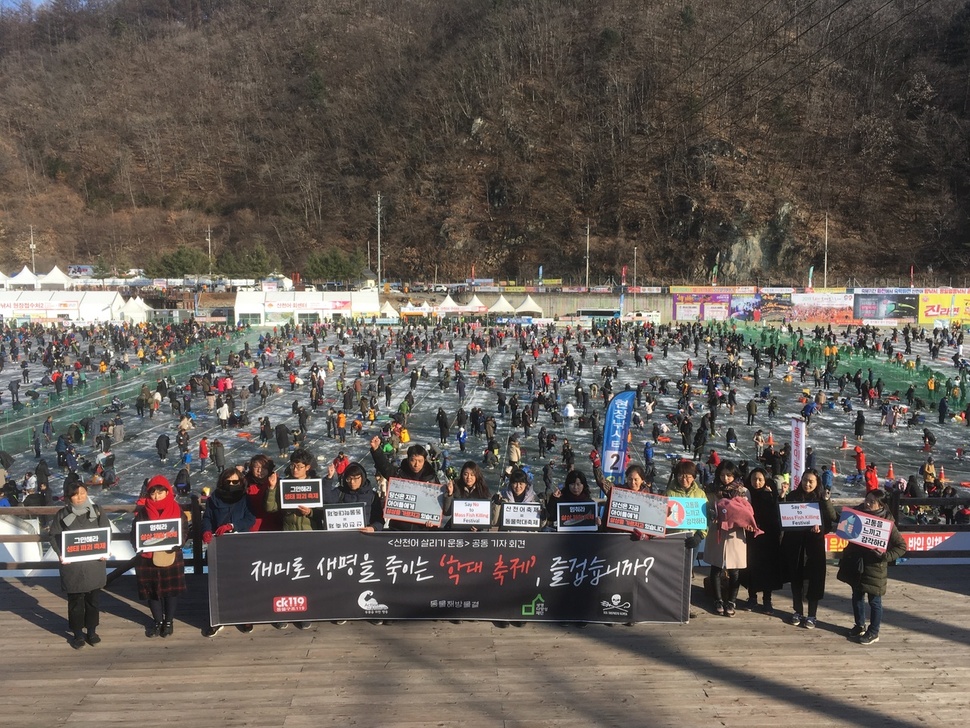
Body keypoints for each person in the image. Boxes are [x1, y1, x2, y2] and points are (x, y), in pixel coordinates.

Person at [837, 488, 907, 645]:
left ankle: (874, 631)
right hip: (857, 565)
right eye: (866, 499)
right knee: (857, 596)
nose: (867, 503)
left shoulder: (888, 523)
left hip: (875, 568)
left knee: (875, 601)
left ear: (880, 505)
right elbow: (840, 522)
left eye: (872, 502)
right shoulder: (856, 514)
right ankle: (859, 625)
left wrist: (885, 556)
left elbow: (901, 546)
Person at [49, 482, 110, 649]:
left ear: (87, 493)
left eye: (82, 493)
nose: (80, 497)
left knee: (93, 600)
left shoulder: (97, 510)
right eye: (75, 494)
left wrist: (105, 549)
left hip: (93, 565)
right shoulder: (62, 514)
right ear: (69, 497)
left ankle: (91, 631)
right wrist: (61, 554)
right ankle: (77, 633)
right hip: (73, 566)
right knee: (75, 602)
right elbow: (53, 536)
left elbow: (106, 531)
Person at [202, 469, 257, 636]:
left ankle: (244, 615)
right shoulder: (214, 499)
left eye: (235, 482)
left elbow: (250, 518)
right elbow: (207, 518)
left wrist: (233, 526)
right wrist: (206, 530)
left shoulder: (245, 499)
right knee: (220, 584)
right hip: (219, 546)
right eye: (228, 482)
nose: (232, 485)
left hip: (240, 546)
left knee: (242, 583)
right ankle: (219, 618)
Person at [132, 475, 188, 638]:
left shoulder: (176, 509)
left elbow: (184, 529)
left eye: (160, 493)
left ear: (167, 492)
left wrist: (180, 542)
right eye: (153, 493)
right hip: (147, 559)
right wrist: (138, 545)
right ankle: (157, 621)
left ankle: (169, 621)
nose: (156, 497)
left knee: (170, 592)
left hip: (170, 556)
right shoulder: (143, 512)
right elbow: (134, 532)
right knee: (152, 592)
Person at [782, 468, 837, 629]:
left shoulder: (821, 499)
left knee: (814, 580)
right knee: (796, 579)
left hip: (814, 546)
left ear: (817, 482)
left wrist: (820, 528)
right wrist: (781, 496)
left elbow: (831, 520)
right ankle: (797, 611)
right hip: (796, 544)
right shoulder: (793, 496)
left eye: (811, 481)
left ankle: (812, 615)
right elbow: (784, 517)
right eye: (805, 480)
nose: (807, 484)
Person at [704, 460, 757, 617]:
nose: (725, 478)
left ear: (735, 475)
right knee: (716, 567)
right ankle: (718, 600)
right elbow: (706, 508)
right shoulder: (712, 490)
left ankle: (732, 601)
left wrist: (746, 523)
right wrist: (711, 515)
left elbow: (749, 512)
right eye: (722, 475)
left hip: (736, 534)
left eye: (728, 475)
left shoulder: (743, 491)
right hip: (717, 532)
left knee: (735, 570)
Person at [743, 467, 784, 614]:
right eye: (754, 479)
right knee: (751, 566)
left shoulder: (771, 494)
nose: (757, 482)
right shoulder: (746, 494)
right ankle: (752, 597)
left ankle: (767, 600)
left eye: (760, 479)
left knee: (768, 569)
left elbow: (778, 515)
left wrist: (774, 497)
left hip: (769, 537)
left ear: (765, 480)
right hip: (752, 537)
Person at [665, 459, 708, 552]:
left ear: (693, 477)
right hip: (673, 537)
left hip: (693, 538)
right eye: (681, 476)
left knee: (689, 566)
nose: (684, 479)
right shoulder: (669, 493)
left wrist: (699, 536)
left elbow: (706, 517)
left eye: (687, 476)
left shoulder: (700, 494)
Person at [443, 461, 491, 531]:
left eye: (472, 475)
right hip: (456, 529)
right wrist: (450, 493)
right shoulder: (455, 486)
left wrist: (479, 527)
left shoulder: (483, 490)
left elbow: (486, 515)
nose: (469, 477)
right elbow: (447, 512)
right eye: (466, 474)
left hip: (474, 532)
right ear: (462, 474)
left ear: (477, 475)